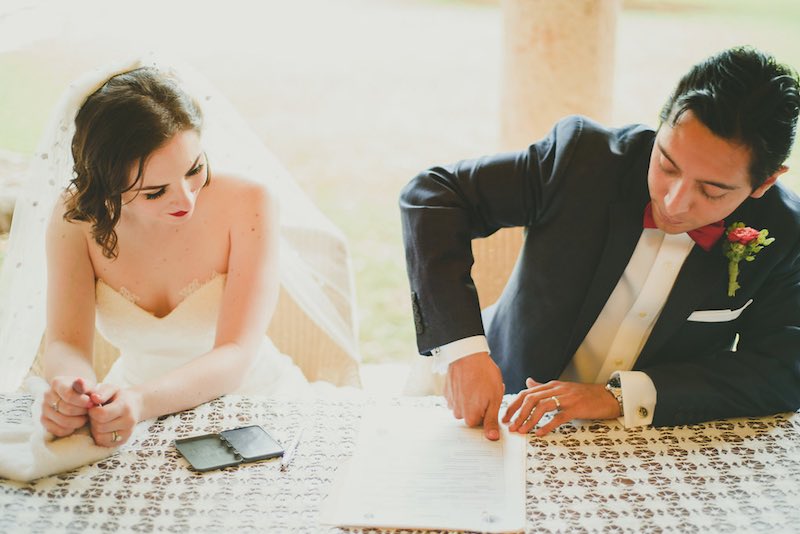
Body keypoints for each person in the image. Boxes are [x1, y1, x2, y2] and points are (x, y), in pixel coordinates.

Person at [400, 46, 800, 440]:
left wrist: (619, 398)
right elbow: (434, 195)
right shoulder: (581, 160)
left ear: (765, 181)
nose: (674, 203)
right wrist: (464, 352)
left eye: (712, 191)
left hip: (644, 443)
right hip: (495, 410)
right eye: (666, 164)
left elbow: (782, 372)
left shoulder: (785, 233)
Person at [0, 59, 360, 458]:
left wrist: (139, 402)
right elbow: (67, 341)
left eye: (195, 169)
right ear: (106, 187)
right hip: (131, 417)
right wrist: (74, 392)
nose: (186, 198)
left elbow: (236, 352)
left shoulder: (249, 203)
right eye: (155, 192)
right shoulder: (75, 219)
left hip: (251, 407)